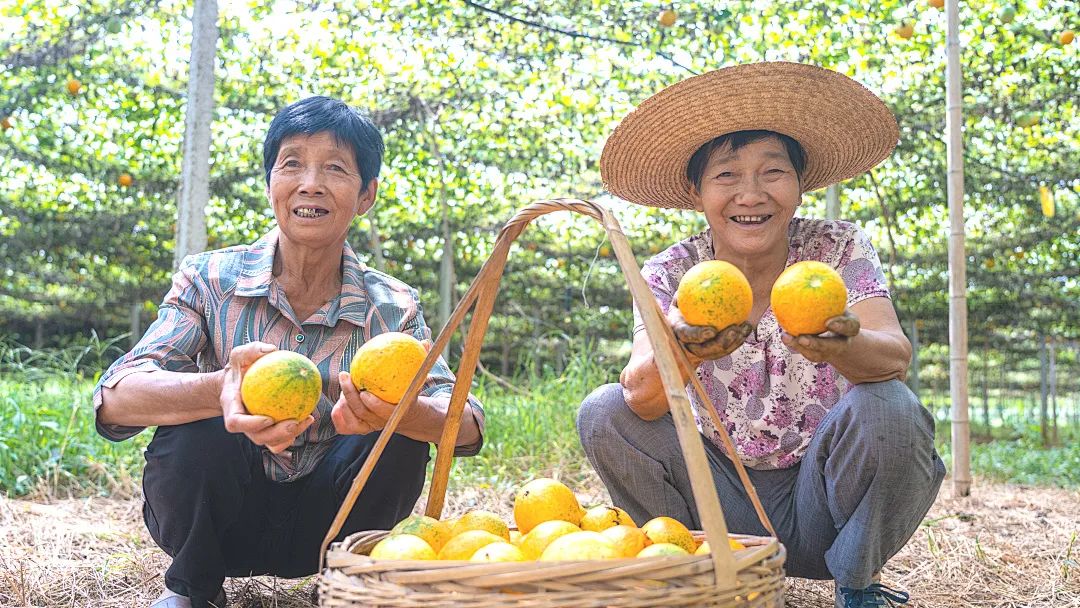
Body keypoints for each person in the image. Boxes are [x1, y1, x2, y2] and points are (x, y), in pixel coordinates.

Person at [577, 62, 944, 608]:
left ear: (799, 185)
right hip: (717, 502)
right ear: (696, 190)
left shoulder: (837, 251)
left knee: (890, 405)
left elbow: (894, 358)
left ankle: (858, 582)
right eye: (726, 175)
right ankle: (690, 573)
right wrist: (682, 351)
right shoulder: (672, 271)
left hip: (824, 495)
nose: (750, 194)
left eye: (773, 172)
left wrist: (846, 347)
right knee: (604, 410)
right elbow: (640, 397)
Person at [94, 96, 484, 608]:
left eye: (335, 169)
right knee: (196, 427)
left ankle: (350, 587)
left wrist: (401, 414)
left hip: (334, 526)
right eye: (292, 163)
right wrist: (220, 390)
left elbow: (468, 423)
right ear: (271, 182)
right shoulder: (209, 279)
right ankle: (194, 590)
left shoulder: (391, 305)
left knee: (400, 439)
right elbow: (116, 399)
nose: (311, 183)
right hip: (223, 517)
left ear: (366, 195)